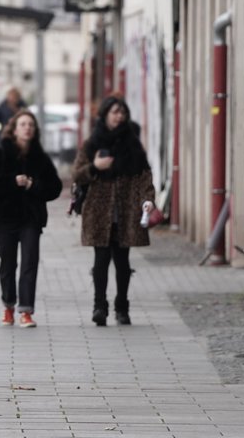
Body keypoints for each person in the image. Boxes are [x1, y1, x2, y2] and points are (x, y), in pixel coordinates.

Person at [72, 96, 156, 327]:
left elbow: (144, 177)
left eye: (122, 112)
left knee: (122, 262)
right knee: (100, 260)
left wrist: (148, 200)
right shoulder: (93, 143)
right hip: (99, 211)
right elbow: (77, 174)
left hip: (126, 210)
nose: (119, 116)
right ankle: (99, 306)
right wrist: (95, 167)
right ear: (105, 114)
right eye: (115, 112)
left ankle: (122, 306)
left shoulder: (133, 143)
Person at [0, 111, 63, 328]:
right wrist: (12, 182)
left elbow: (55, 188)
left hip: (30, 219)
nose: (27, 128)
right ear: (14, 129)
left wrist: (32, 185)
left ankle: (26, 310)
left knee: (29, 263)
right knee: (8, 264)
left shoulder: (40, 158)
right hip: (5, 219)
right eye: (23, 124)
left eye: (31, 125)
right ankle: (8, 306)